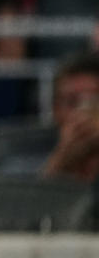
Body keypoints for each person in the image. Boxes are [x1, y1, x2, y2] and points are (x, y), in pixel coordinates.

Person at [42, 52, 99, 182]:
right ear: (55, 109)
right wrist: (62, 160)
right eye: (72, 102)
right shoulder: (27, 155)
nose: (83, 114)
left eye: (95, 101)